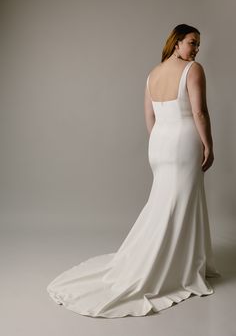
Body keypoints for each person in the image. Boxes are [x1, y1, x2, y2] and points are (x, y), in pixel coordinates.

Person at [47, 23, 220, 318]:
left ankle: (185, 261)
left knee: (167, 202)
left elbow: (150, 117)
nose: (196, 49)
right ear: (177, 43)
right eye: (192, 42)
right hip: (183, 142)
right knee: (179, 203)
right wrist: (209, 145)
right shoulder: (193, 70)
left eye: (198, 44)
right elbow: (199, 111)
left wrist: (159, 142)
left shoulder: (153, 73)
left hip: (160, 143)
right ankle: (180, 266)